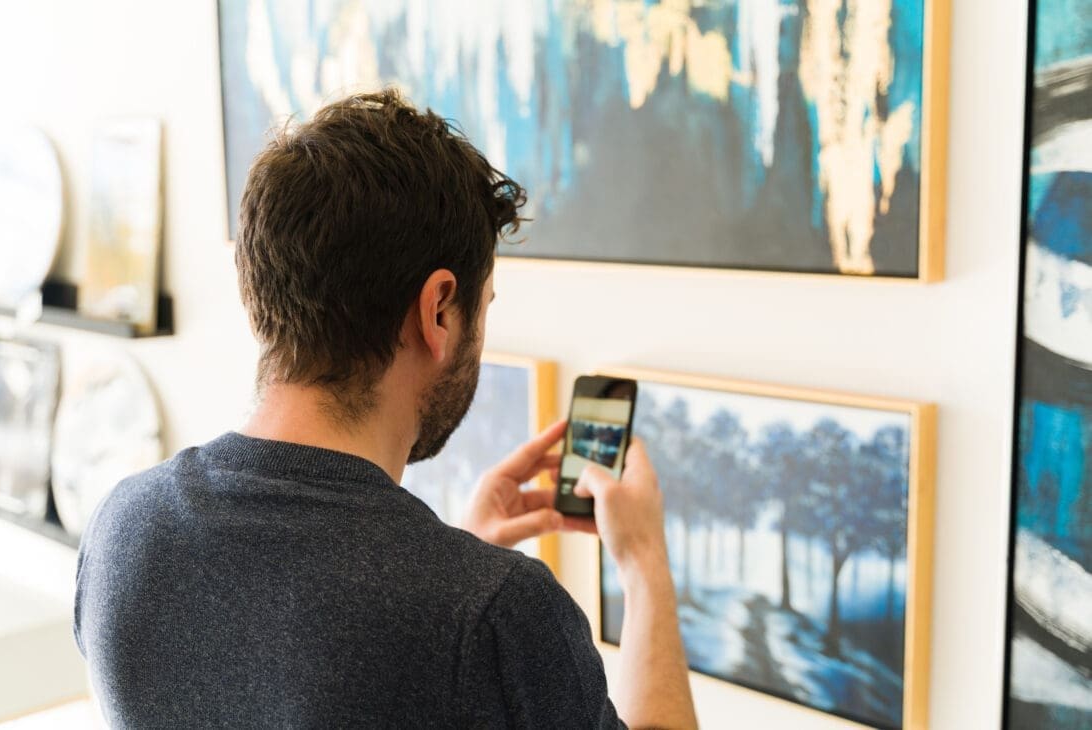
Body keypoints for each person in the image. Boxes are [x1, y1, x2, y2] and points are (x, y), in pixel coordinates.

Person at [74, 89, 697, 729]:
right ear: (438, 310)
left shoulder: (123, 529)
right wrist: (643, 564)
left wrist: (459, 557)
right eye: (483, 308)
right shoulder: (501, 613)